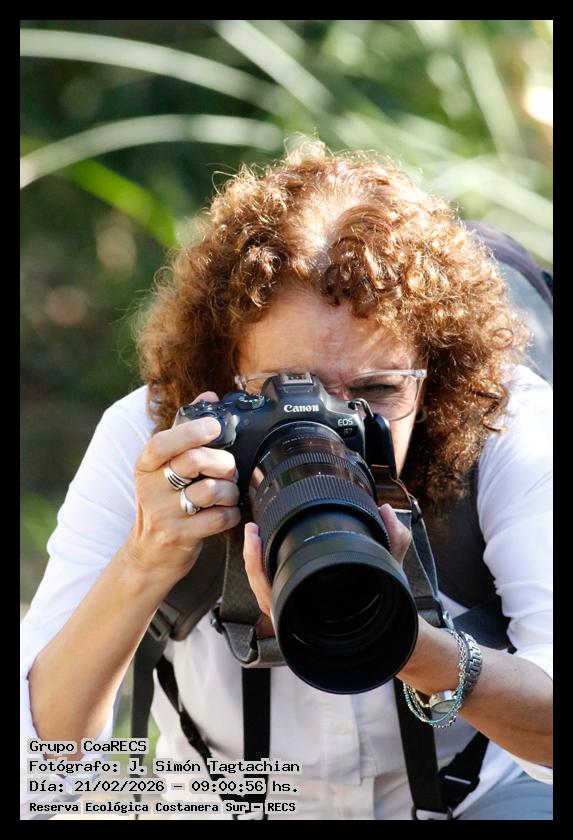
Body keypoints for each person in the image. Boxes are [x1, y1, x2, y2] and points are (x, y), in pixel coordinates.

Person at [21, 141, 552, 820]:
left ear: (438, 376)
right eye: (284, 390)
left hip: (471, 800)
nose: (331, 428)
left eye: (376, 391)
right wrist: (146, 560)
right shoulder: (151, 441)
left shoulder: (498, 421)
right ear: (221, 373)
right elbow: (45, 768)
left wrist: (406, 642)